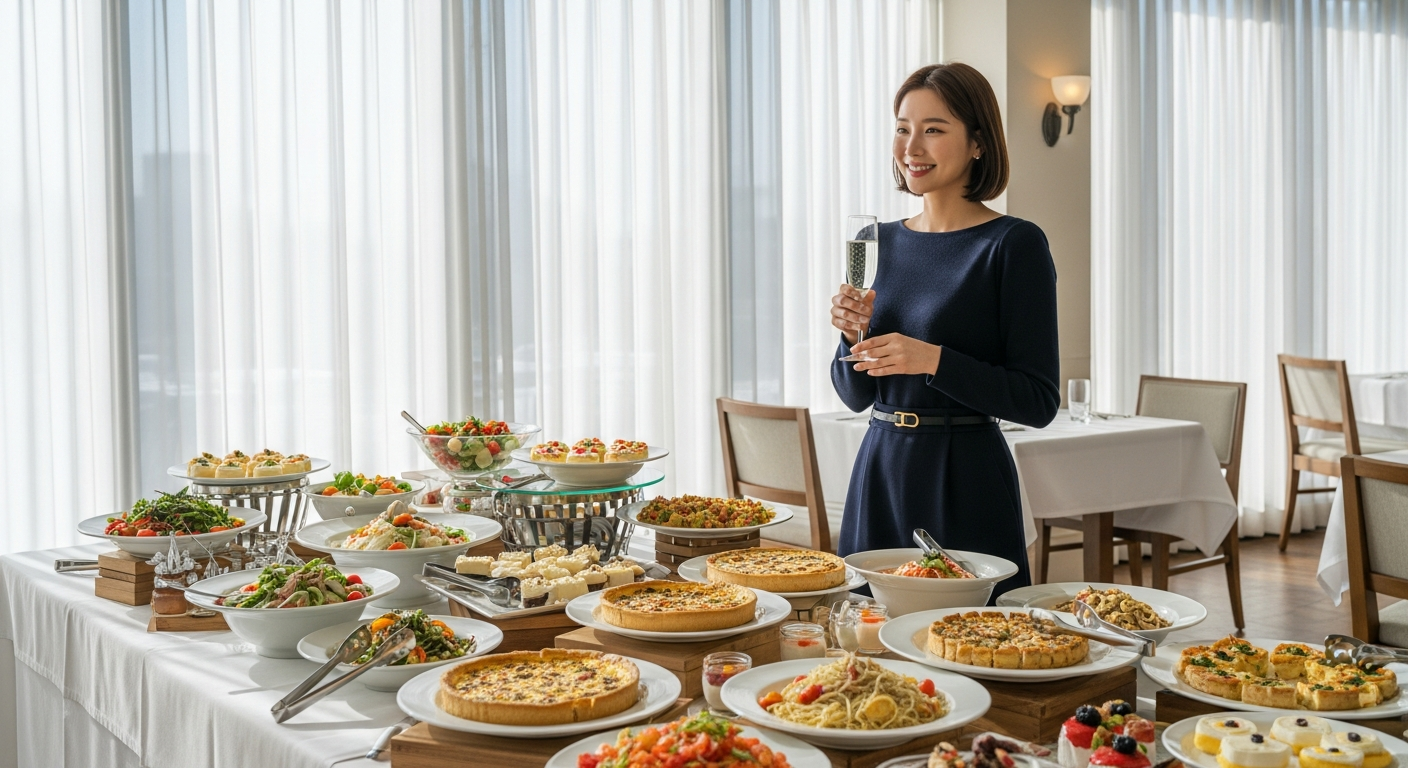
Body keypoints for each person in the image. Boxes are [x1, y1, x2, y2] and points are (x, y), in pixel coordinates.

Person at [830, 62, 1060, 595]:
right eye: (903, 127)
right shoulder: (872, 240)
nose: (912, 146)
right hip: (880, 469)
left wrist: (933, 360)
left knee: (972, 646)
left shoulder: (1013, 244)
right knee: (868, 652)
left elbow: (1038, 400)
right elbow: (853, 395)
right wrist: (849, 338)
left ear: (978, 142)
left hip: (965, 478)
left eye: (933, 129)